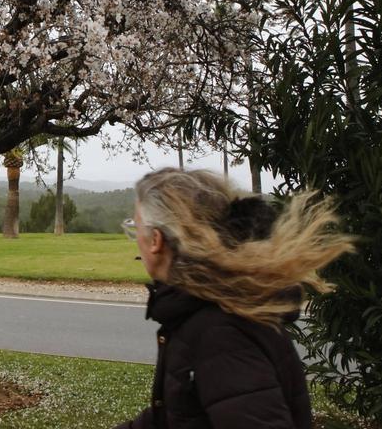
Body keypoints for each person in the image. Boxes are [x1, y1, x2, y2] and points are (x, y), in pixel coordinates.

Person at [115, 168, 353, 429]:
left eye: (134, 227)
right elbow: (178, 414)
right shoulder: (206, 308)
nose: (134, 237)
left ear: (155, 240)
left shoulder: (218, 332)